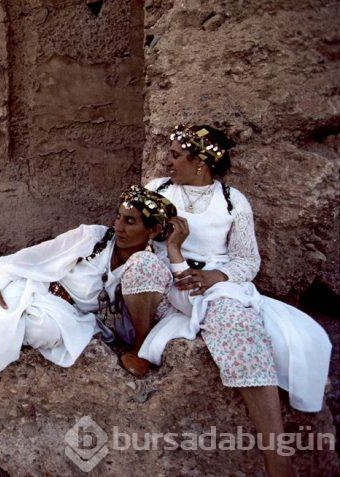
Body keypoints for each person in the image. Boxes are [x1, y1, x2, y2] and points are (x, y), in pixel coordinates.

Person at [139, 124, 331, 477]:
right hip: (165, 280)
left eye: (176, 156)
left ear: (200, 163)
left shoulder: (232, 200)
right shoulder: (157, 191)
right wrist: (172, 252)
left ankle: (277, 455)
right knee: (143, 268)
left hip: (214, 284)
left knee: (236, 324)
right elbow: (131, 234)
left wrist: (214, 277)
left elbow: (247, 260)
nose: (168, 161)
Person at [0, 185, 177, 382]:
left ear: (153, 230)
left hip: (67, 315)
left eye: (130, 222)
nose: (119, 227)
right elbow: (34, 257)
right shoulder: (92, 237)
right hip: (35, 288)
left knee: (38, 331)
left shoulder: (149, 265)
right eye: (118, 217)